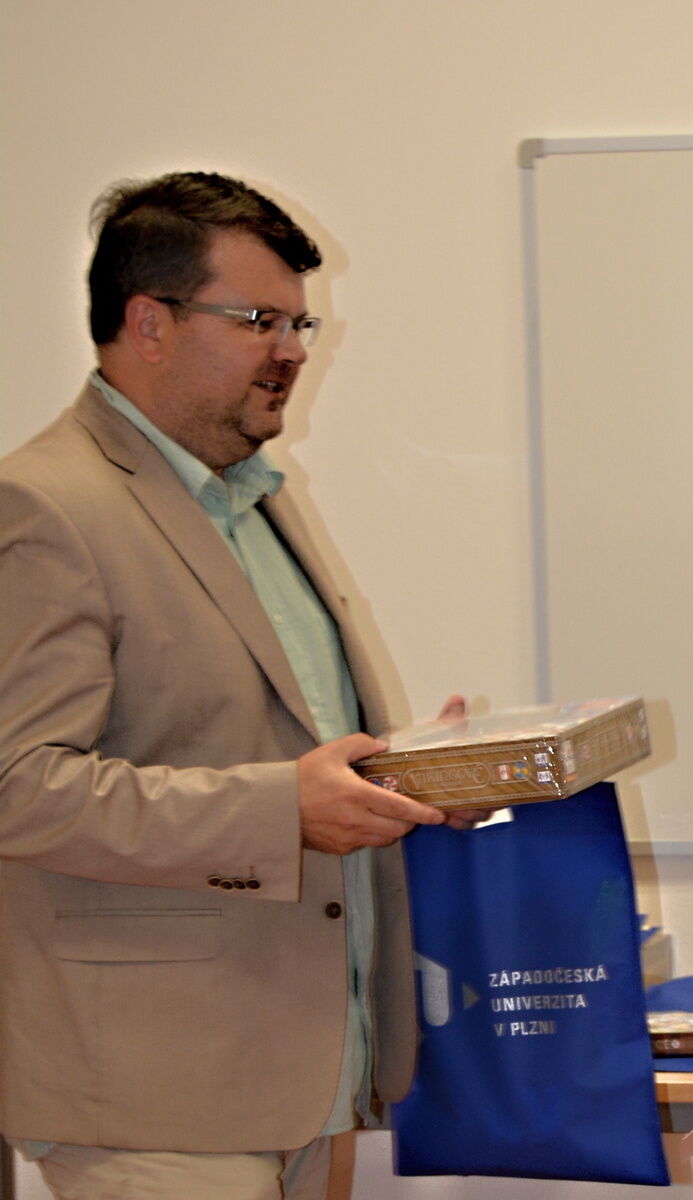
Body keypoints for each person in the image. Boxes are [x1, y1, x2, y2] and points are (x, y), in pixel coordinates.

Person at [0, 171, 474, 1200]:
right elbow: (19, 788)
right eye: (260, 320)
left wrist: (413, 777)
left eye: (299, 323)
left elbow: (260, 742)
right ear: (149, 323)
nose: (294, 350)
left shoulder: (250, 498)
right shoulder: (44, 505)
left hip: (296, 1065)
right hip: (152, 1091)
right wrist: (282, 809)